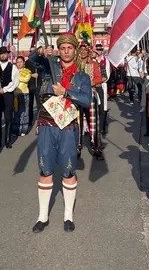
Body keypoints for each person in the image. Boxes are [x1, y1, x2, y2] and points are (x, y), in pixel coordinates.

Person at [33, 33, 92, 233]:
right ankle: (42, 216)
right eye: (63, 48)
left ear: (75, 51)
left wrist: (66, 93)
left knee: (68, 172)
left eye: (70, 48)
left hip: (68, 128)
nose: (66, 51)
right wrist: (41, 52)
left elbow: (86, 100)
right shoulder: (49, 68)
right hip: (47, 126)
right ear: (58, 50)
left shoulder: (83, 76)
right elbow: (32, 62)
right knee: (45, 171)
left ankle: (68, 215)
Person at [77, 41, 104, 159]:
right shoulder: (74, 64)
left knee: (93, 122)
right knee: (77, 122)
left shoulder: (93, 64)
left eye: (85, 49)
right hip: (76, 96)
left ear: (88, 51)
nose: (83, 52)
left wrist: (91, 82)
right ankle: (77, 147)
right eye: (81, 49)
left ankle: (96, 147)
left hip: (89, 94)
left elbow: (100, 78)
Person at [0, 46, 19, 149]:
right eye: (1, 53)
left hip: (7, 95)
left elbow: (15, 81)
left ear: (8, 54)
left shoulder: (13, 67)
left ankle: (7, 140)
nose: (3, 55)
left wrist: (5, 89)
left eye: (4, 53)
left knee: (8, 118)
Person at [15, 56, 32, 137]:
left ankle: (24, 130)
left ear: (24, 63)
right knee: (16, 112)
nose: (19, 63)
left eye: (20, 62)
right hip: (15, 94)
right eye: (17, 62)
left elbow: (25, 79)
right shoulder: (14, 70)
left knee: (24, 112)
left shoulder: (27, 71)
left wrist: (16, 77)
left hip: (24, 93)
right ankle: (16, 130)